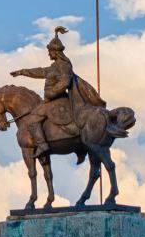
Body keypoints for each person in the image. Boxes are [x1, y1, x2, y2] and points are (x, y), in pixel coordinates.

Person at [10, 26, 104, 154]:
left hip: (57, 99)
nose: (49, 54)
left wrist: (51, 93)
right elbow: (40, 71)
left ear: (55, 52)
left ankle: (42, 145)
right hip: (51, 100)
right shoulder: (54, 66)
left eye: (50, 51)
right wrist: (22, 72)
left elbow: (65, 82)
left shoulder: (64, 66)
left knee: (32, 119)